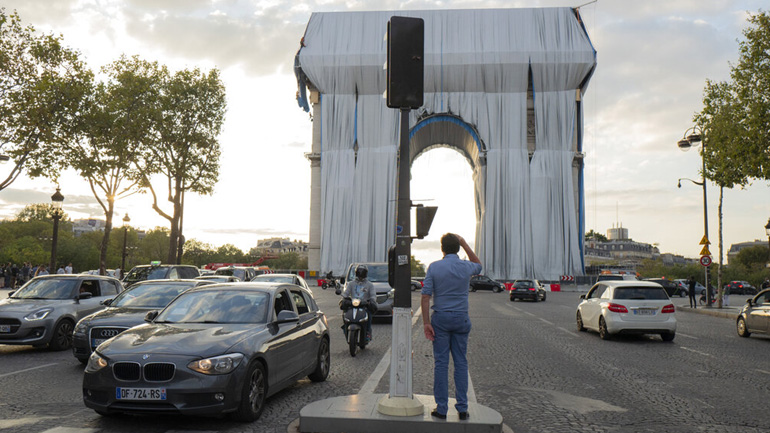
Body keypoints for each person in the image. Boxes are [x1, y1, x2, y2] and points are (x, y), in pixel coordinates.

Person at [421, 233, 482, 420]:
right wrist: (464, 242)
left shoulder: (434, 267)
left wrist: (426, 323)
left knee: (441, 363)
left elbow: (425, 296)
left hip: (441, 319)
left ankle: (441, 409)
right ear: (458, 248)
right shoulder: (466, 267)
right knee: (461, 362)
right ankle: (462, 409)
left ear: (442, 248)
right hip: (461, 318)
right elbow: (478, 265)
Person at [341, 264, 377, 341]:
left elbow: (373, 295)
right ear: (356, 273)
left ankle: (367, 331)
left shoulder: (369, 285)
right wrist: (344, 298)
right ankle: (345, 326)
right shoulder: (351, 284)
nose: (360, 274)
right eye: (359, 272)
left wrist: (371, 300)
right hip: (353, 304)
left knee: (369, 314)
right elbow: (346, 293)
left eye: (362, 272)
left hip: (364, 305)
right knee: (345, 312)